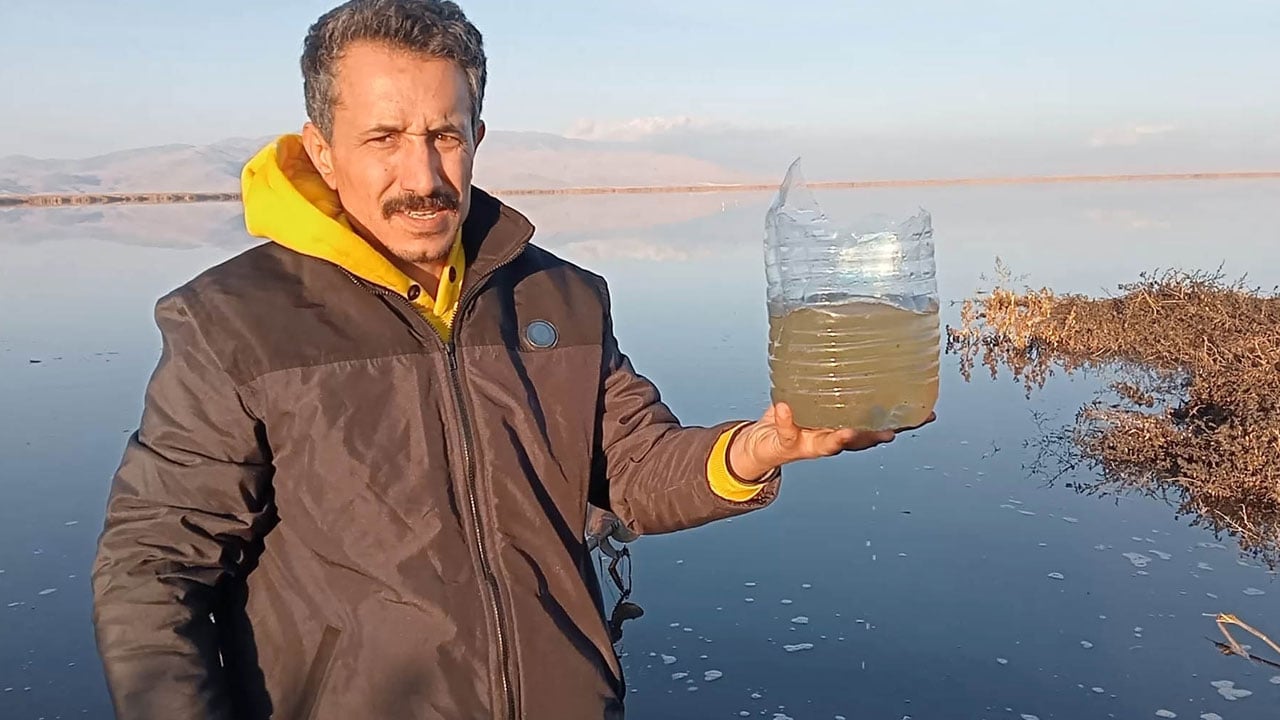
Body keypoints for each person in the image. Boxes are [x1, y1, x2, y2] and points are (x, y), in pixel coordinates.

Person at [89, 1, 928, 718]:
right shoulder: (234, 322)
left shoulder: (560, 298)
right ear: (321, 150)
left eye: (444, 135)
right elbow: (153, 568)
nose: (423, 174)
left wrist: (757, 449)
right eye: (383, 137)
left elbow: (631, 467)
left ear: (477, 135)